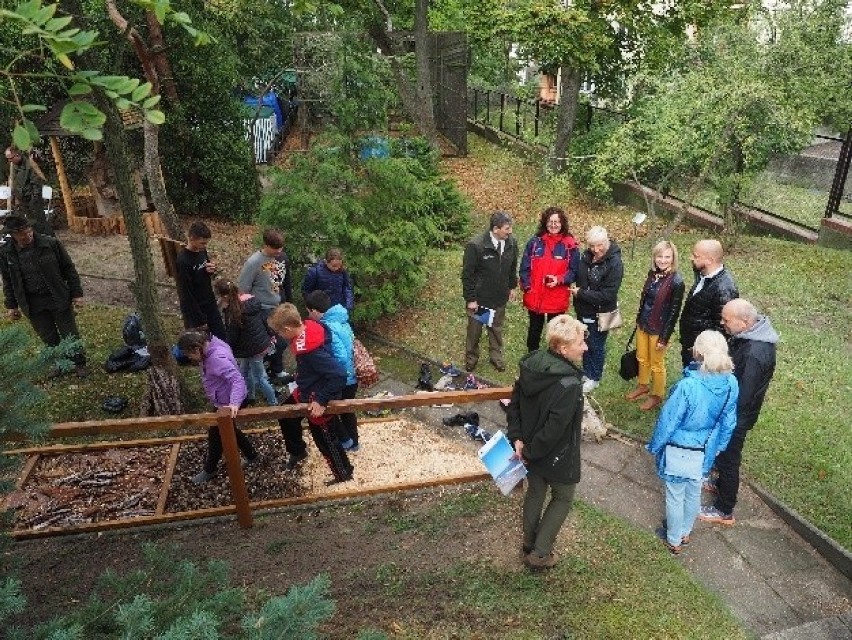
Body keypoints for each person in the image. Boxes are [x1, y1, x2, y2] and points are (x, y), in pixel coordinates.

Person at [506, 314, 587, 570]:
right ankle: (540, 554)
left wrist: (519, 439)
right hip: (554, 454)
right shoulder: (569, 384)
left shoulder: (532, 365)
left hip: (530, 447)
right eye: (580, 343)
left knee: (536, 491)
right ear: (563, 348)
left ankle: (529, 544)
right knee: (563, 497)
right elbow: (555, 429)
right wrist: (530, 450)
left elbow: (514, 403)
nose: (585, 347)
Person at [647, 330, 738, 554]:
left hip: (680, 447)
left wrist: (655, 445)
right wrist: (720, 446)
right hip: (706, 447)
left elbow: (668, 421)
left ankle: (674, 539)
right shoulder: (731, 383)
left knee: (675, 495)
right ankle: (686, 531)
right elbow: (729, 420)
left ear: (697, 352)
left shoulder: (687, 386)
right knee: (694, 490)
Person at [700, 299, 777, 526]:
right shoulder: (751, 336)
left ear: (744, 322)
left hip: (737, 417)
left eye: (726, 320)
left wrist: (723, 414)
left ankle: (724, 509)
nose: (722, 323)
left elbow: (744, 394)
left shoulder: (754, 353)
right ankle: (719, 483)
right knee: (724, 456)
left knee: (729, 460)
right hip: (736, 414)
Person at [267, 302, 354, 484]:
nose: (281, 337)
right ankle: (297, 451)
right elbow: (313, 368)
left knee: (325, 441)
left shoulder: (312, 352)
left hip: (318, 397)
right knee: (286, 415)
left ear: (288, 328)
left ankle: (343, 473)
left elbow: (338, 375)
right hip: (306, 389)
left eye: (281, 333)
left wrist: (321, 400)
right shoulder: (310, 328)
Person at [0, 215, 87, 377]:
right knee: (48, 336)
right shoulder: (6, 253)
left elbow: (69, 269)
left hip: (57, 296)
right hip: (32, 302)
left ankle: (79, 363)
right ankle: (60, 364)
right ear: (13, 235)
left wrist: (76, 293)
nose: (27, 236)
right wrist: (11, 306)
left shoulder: (50, 243)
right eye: (22, 235)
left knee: (70, 332)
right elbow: (8, 281)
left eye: (28, 232)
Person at [177, 330, 259, 484]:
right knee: (231, 430)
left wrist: (234, 403)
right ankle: (252, 455)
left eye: (189, 355)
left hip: (228, 403)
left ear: (196, 348)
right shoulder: (212, 344)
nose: (189, 359)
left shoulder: (216, 359)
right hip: (223, 400)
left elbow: (237, 380)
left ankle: (210, 469)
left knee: (215, 436)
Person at [626, 240, 685, 411]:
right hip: (643, 324)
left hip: (659, 329)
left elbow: (674, 313)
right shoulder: (652, 274)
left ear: (673, 258)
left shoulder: (677, 282)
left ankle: (657, 395)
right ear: (654, 257)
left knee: (656, 364)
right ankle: (643, 385)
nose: (663, 260)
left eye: (667, 257)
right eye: (660, 256)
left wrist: (664, 338)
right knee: (641, 357)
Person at [461, 211, 519, 373]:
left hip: (499, 297)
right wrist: (471, 299)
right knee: (475, 332)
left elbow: (512, 267)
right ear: (495, 229)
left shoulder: (511, 243)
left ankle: (495, 357)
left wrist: (511, 286)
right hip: (480, 299)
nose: (510, 231)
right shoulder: (476, 246)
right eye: (507, 228)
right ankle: (471, 358)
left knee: (496, 329)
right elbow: (467, 275)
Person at [569, 226, 623, 394]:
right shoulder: (586, 256)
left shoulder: (615, 263)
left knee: (596, 345)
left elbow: (607, 295)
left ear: (607, 240)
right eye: (592, 246)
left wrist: (581, 293)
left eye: (599, 245)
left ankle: (595, 377)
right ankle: (586, 372)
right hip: (583, 310)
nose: (596, 250)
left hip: (601, 313)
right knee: (584, 342)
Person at [304, 290, 360, 452]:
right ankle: (354, 443)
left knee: (332, 409)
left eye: (308, 312)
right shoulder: (341, 319)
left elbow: (340, 357)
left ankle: (346, 441)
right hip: (352, 375)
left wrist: (329, 369)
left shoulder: (327, 327)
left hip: (343, 378)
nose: (308, 316)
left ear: (314, 311)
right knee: (347, 411)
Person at [519, 206, 580, 353]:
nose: (553, 225)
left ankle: (553, 358)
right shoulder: (535, 242)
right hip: (535, 296)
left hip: (556, 298)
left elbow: (574, 271)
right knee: (534, 329)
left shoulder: (570, 245)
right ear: (545, 223)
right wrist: (527, 287)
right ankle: (532, 356)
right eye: (550, 221)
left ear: (562, 223)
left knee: (555, 333)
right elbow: (524, 267)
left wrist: (559, 279)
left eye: (557, 222)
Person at [214, 279, 278, 407]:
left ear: (224, 296)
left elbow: (232, 335)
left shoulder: (234, 312)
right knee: (243, 372)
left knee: (260, 377)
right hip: (258, 344)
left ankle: (273, 402)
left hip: (252, 349)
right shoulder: (250, 301)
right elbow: (263, 320)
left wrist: (225, 348)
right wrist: (270, 335)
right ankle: (249, 396)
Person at [238, 228, 291, 381]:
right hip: (261, 309)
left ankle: (275, 369)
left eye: (281, 248)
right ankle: (259, 374)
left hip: (276, 306)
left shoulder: (278, 258)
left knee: (281, 342)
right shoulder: (253, 262)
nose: (279, 252)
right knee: (272, 343)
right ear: (266, 245)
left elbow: (278, 282)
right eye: (275, 249)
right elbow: (243, 290)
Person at [678, 239, 738, 367]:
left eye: (696, 256)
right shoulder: (702, 275)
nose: (691, 258)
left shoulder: (724, 290)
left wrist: (702, 351)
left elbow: (723, 329)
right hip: (691, 347)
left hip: (703, 355)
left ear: (710, 260)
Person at [175, 221, 226, 340]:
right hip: (197, 309)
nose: (204, 246)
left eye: (206, 243)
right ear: (192, 238)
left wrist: (210, 270)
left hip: (210, 303)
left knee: (221, 337)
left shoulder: (202, 251)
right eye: (202, 242)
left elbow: (204, 269)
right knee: (205, 342)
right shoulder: (183, 261)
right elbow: (186, 293)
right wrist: (199, 319)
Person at [4, 146, 52, 236]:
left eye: (10, 158)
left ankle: (51, 241)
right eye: (8, 159)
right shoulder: (13, 165)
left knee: (40, 222)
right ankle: (36, 241)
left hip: (33, 198)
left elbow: (36, 184)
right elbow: (14, 182)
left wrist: (34, 199)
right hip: (22, 198)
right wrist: (16, 196)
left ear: (17, 155)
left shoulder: (30, 165)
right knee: (29, 223)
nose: (9, 161)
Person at [302, 247, 354, 313]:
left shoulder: (342, 271)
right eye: (334, 266)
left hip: (338, 309)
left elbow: (347, 288)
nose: (337, 268)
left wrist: (348, 307)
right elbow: (306, 292)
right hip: (320, 310)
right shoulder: (315, 272)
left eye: (339, 265)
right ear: (326, 262)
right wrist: (312, 309)